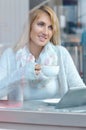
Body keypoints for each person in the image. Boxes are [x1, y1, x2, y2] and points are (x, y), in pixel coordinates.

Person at [0, 5, 85, 102]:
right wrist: (21, 73)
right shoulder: (10, 55)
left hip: (54, 116)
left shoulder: (60, 54)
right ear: (29, 26)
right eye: (41, 24)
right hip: (21, 116)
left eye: (50, 27)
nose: (45, 32)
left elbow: (80, 91)